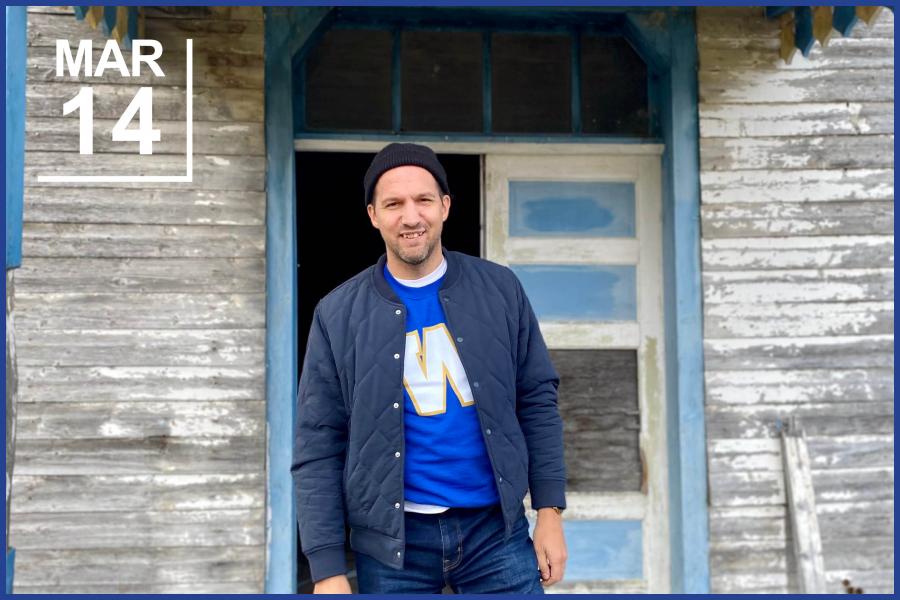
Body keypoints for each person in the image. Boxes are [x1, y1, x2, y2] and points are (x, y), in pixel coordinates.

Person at [292, 143, 567, 594]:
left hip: (496, 531)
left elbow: (536, 399)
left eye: (423, 200)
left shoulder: (499, 290)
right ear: (373, 215)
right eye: (393, 204)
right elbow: (318, 442)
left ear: (445, 206)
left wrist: (550, 513)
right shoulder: (337, 314)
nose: (410, 216)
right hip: (392, 544)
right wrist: (326, 568)